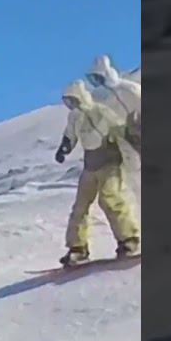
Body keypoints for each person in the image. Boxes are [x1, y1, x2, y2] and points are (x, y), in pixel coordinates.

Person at [54, 80, 141, 266]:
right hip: (90, 165)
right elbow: (70, 135)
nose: (71, 105)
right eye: (67, 102)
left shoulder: (100, 111)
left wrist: (134, 142)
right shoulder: (75, 117)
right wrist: (64, 148)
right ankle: (78, 248)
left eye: (72, 100)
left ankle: (128, 239)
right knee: (80, 206)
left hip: (109, 162)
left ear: (80, 96)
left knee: (111, 199)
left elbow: (119, 128)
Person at [86, 54, 142, 155]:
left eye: (98, 78)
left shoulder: (130, 89)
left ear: (106, 75)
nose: (97, 81)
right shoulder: (110, 98)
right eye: (94, 78)